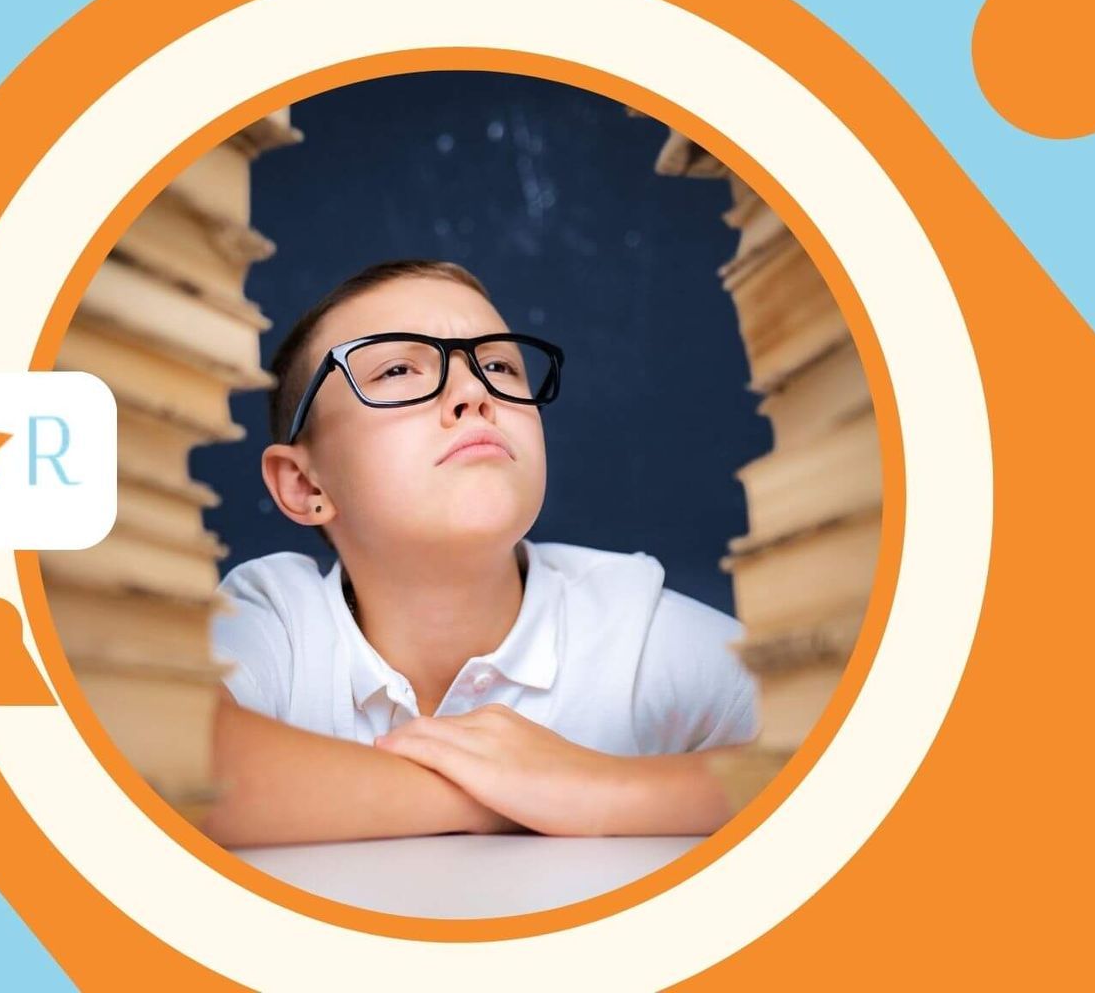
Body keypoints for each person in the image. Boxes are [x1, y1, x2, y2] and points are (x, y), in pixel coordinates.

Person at [201, 259, 759, 847]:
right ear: (305, 486)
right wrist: (502, 796)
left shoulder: (630, 626)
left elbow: (848, 750)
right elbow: (159, 757)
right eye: (396, 369)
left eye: (498, 365)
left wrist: (600, 789)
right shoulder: (278, 621)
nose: (473, 392)